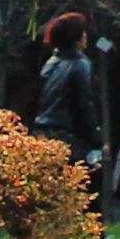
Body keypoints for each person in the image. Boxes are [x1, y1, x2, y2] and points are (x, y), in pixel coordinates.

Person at [29, 13, 100, 184]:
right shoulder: (81, 64)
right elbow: (84, 106)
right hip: (66, 140)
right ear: (76, 38)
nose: (86, 36)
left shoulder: (51, 63)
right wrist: (96, 141)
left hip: (40, 136)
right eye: (83, 32)